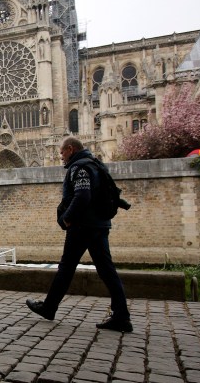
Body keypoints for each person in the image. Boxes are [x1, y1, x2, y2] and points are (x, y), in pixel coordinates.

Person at [25, 137, 132, 333]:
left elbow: (82, 195)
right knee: (107, 270)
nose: (61, 156)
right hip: (100, 224)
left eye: (62, 152)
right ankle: (121, 316)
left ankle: (49, 307)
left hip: (83, 226)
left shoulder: (79, 168)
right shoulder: (95, 164)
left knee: (66, 268)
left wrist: (67, 218)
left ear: (70, 149)